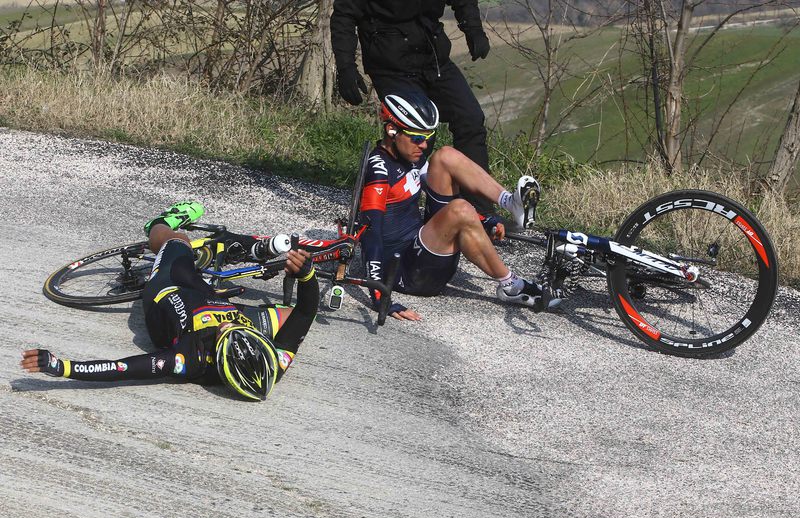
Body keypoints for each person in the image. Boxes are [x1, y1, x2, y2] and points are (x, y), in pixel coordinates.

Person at [21, 202, 319, 401]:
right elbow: (305, 313)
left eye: (226, 332)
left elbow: (121, 368)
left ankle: (162, 222)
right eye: (238, 329)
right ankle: (243, 253)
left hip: (170, 289)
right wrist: (306, 275)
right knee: (289, 315)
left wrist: (61, 367)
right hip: (209, 299)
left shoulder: (186, 362)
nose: (229, 325)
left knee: (177, 243)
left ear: (218, 357)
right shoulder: (273, 364)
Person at [360, 92, 560, 321]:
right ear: (391, 131)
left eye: (427, 137)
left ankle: (510, 202)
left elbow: (444, 196)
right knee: (461, 209)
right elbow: (370, 234)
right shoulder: (378, 170)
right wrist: (380, 297)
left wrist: (483, 220)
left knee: (446, 156)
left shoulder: (409, 158)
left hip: (421, 247)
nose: (424, 145)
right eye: (417, 138)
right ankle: (511, 286)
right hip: (405, 273)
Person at [330, 0, 496, 216]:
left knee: (470, 119)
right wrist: (346, 67)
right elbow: (344, 14)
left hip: (433, 58)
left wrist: (474, 30)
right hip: (391, 64)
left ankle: (480, 211)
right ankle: (393, 204)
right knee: (417, 133)